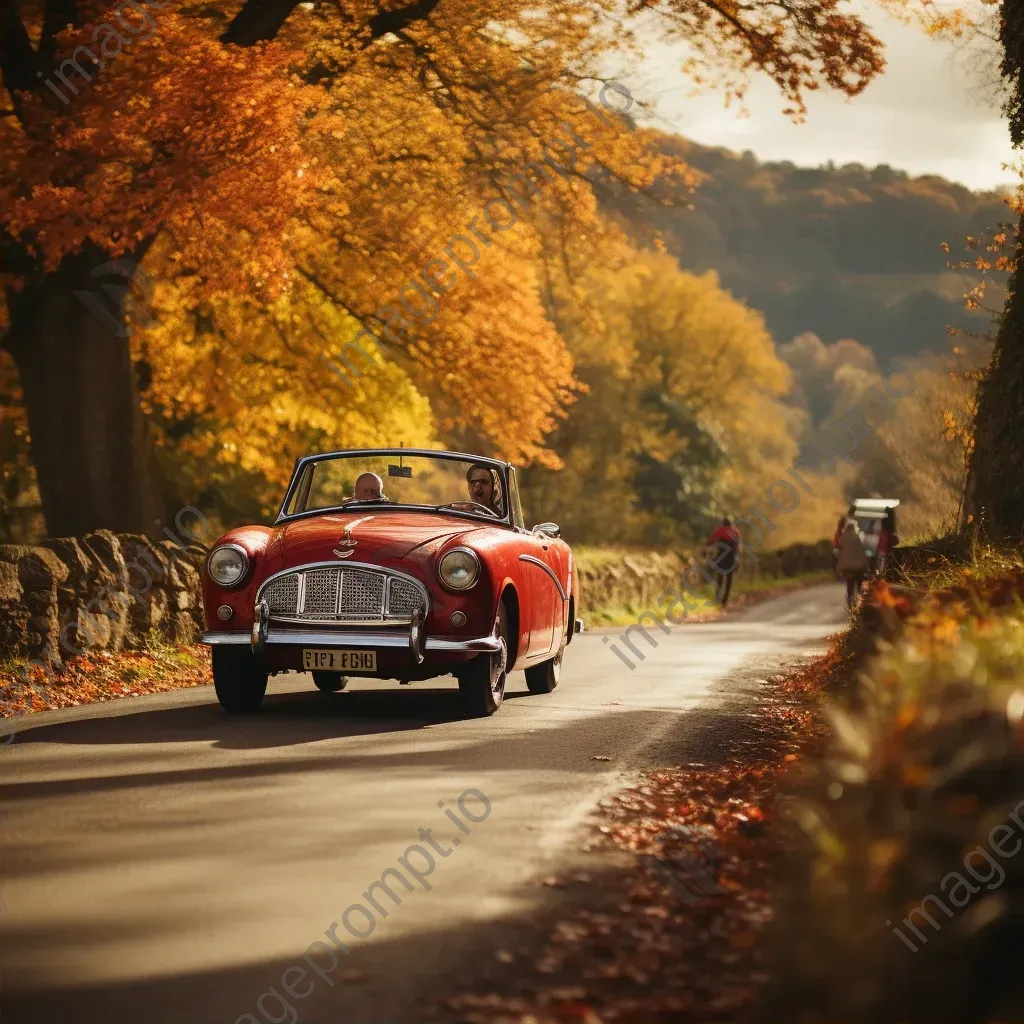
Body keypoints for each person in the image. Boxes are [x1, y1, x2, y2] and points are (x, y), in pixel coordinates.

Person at [835, 519, 870, 610]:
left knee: (849, 589)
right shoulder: (858, 538)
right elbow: (862, 554)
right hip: (858, 568)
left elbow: (842, 557)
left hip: (848, 569)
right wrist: (866, 566)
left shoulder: (842, 540)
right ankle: (859, 606)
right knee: (859, 588)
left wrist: (840, 568)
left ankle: (850, 606)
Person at [707, 517, 741, 606]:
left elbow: (711, 541)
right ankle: (725, 600)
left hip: (721, 557)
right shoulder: (736, 531)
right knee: (729, 579)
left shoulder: (719, 530)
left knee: (720, 577)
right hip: (732, 557)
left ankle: (717, 597)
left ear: (723, 523)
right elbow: (738, 546)